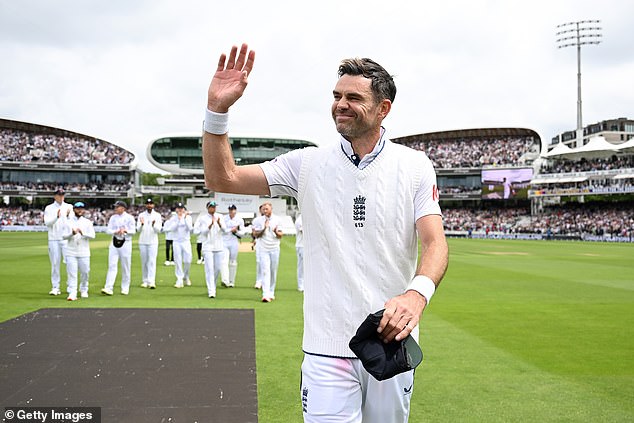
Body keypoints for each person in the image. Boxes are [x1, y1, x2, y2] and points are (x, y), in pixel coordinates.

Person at [201, 44, 448, 422]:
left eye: (353, 97)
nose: (341, 104)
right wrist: (217, 111)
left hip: (388, 341)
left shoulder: (414, 165)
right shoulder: (306, 163)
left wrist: (416, 296)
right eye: (336, 96)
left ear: (383, 109)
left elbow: (434, 243)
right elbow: (223, 178)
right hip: (325, 348)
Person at [61, 201, 95, 301]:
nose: (80, 210)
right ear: (74, 209)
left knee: (85, 272)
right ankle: (72, 292)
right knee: (72, 273)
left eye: (81, 209)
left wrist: (82, 232)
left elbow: (92, 235)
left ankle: (84, 289)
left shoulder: (87, 222)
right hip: (71, 251)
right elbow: (63, 236)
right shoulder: (68, 221)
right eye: (77, 209)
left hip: (84, 252)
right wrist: (72, 233)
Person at [250, 202, 283, 302]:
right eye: (263, 209)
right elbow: (255, 234)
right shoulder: (258, 220)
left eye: (267, 209)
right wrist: (264, 228)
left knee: (273, 271)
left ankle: (271, 292)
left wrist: (274, 231)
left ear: (271, 209)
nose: (265, 211)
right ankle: (265, 294)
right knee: (265, 270)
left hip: (274, 248)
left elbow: (280, 235)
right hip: (263, 249)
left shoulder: (277, 220)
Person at [101, 200, 136, 296]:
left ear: (123, 208)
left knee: (125, 266)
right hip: (114, 241)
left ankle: (125, 287)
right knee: (112, 265)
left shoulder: (130, 218)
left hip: (126, 242)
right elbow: (108, 230)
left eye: (117, 207)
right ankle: (108, 287)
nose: (115, 209)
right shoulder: (113, 218)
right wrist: (116, 231)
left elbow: (133, 231)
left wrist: (125, 231)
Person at [43, 188, 74, 295]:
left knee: (69, 263)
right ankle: (55, 287)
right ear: (55, 196)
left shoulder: (69, 207)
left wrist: (69, 216)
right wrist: (56, 216)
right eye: (59, 195)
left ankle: (71, 286)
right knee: (55, 264)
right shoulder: (49, 208)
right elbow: (47, 223)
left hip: (66, 238)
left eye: (62, 195)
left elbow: (72, 222)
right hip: (53, 238)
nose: (61, 197)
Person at [193, 201, 224, 297]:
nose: (213, 209)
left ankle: (212, 285)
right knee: (209, 269)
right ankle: (211, 291)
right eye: (211, 207)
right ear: (208, 208)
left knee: (217, 268)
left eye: (214, 207)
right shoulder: (203, 218)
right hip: (207, 246)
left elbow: (225, 230)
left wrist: (219, 224)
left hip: (218, 246)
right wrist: (209, 226)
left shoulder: (220, 216)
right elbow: (201, 232)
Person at [163, 202, 193, 288]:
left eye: (181, 208)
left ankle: (186, 276)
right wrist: (179, 220)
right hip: (176, 241)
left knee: (188, 260)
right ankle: (179, 279)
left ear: (184, 209)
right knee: (178, 260)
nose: (180, 210)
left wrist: (185, 218)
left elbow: (190, 228)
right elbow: (172, 229)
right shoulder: (173, 218)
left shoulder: (188, 217)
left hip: (186, 241)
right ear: (176, 210)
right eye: (178, 209)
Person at [137, 198, 163, 289]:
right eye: (147, 204)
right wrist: (142, 224)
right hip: (143, 241)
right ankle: (144, 280)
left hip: (153, 242)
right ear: (145, 205)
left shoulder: (157, 215)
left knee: (152, 261)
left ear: (153, 205)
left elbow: (158, 230)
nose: (149, 205)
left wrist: (153, 225)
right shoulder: (141, 215)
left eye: (151, 204)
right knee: (144, 261)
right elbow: (138, 230)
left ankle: (151, 281)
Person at [220, 204, 245, 288]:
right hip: (224, 241)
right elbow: (222, 230)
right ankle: (225, 280)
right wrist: (231, 229)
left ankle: (231, 281)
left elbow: (242, 233)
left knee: (233, 261)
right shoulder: (224, 218)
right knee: (224, 260)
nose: (231, 211)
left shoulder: (239, 220)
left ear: (235, 210)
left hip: (234, 242)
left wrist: (236, 231)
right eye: (230, 210)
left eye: (233, 210)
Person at [294, 213, 304, 292]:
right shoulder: (300, 220)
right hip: (301, 245)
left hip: (304, 245)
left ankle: (303, 284)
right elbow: (303, 231)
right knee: (302, 266)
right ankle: (301, 285)